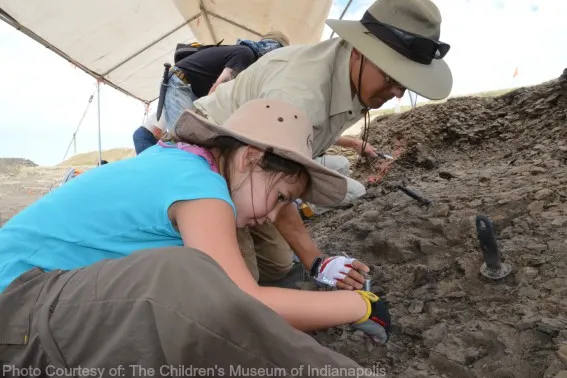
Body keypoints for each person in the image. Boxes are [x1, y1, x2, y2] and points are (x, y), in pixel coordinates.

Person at [0, 99, 390, 372]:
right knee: (187, 284)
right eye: (278, 198)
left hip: (38, 306)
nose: (271, 216)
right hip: (19, 307)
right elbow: (240, 306)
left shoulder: (178, 161)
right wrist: (359, 305)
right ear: (251, 157)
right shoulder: (200, 187)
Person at [187, 0, 452, 286]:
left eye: (404, 84)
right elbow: (270, 177)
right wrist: (317, 262)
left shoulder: (353, 73)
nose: (397, 93)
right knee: (239, 285)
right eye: (392, 78)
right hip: (213, 160)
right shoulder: (299, 95)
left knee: (277, 266)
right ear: (363, 51)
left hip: (258, 168)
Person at [162, 31, 289, 133]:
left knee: (191, 136)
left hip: (191, 88)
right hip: (179, 83)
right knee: (182, 136)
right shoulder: (246, 54)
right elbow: (218, 90)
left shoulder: (247, 60)